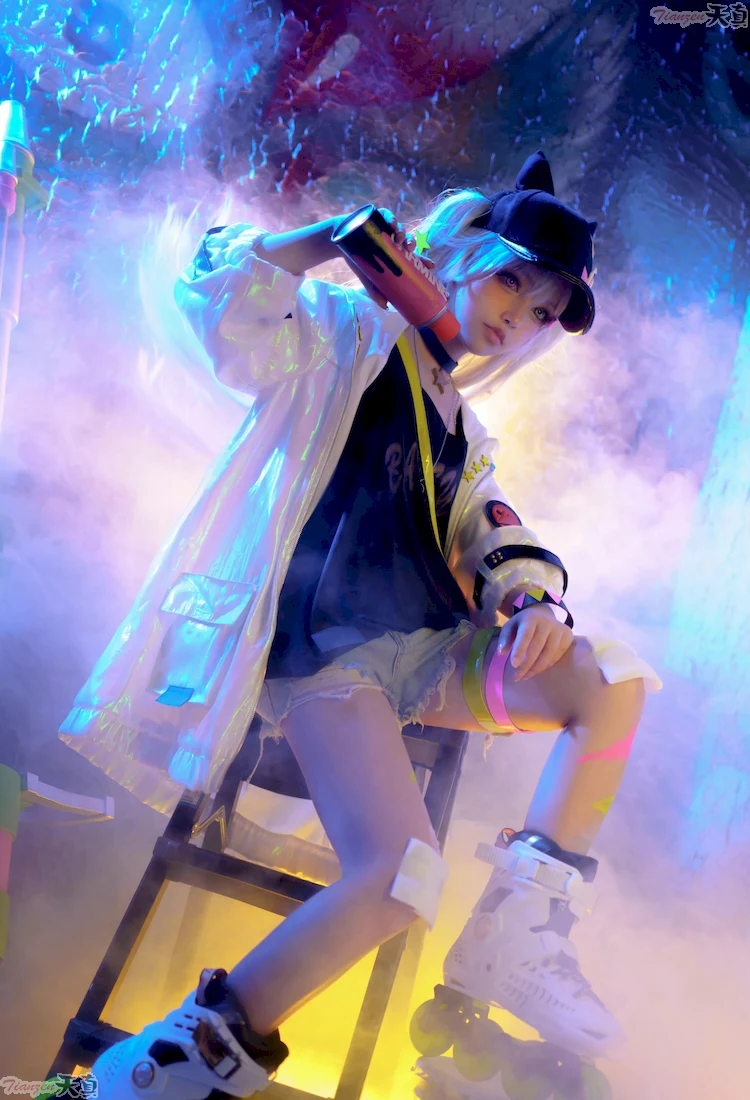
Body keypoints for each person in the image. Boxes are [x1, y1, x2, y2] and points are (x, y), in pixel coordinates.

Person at [61, 150, 661, 1097]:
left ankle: (517, 932)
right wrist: (336, 243)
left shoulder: (461, 423)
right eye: (510, 279)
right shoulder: (343, 334)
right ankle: (157, 1072)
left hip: (421, 657)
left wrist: (532, 601)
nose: (517, 317)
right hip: (319, 657)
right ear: (457, 252)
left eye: (543, 310)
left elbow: (492, 528)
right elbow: (222, 298)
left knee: (613, 677)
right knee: (400, 875)